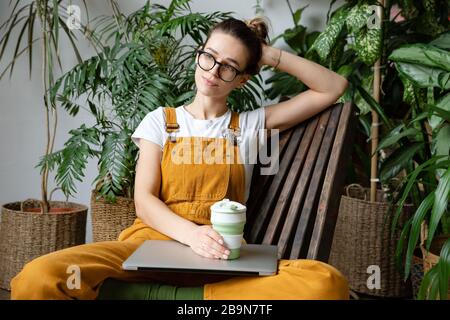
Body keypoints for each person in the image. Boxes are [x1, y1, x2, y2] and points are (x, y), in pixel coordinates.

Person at [11, 17, 349, 300]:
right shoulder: (161, 121)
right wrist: (192, 235)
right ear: (198, 55)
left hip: (221, 262)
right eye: (210, 57)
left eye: (229, 66)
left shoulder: (249, 126)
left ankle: (167, 297)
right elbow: (143, 201)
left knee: (325, 284)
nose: (214, 71)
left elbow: (332, 87)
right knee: (37, 278)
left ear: (244, 79)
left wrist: (267, 53)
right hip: (146, 249)